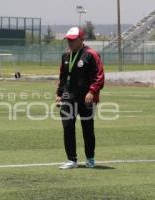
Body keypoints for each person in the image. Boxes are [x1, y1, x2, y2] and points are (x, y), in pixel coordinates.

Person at [56, 27, 105, 169]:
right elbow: (63, 77)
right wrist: (59, 94)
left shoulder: (91, 54)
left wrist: (92, 92)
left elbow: (99, 77)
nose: (70, 43)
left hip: (87, 99)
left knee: (87, 128)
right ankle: (72, 160)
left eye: (73, 40)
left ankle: (90, 158)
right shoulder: (65, 56)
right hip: (68, 98)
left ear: (81, 39)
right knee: (67, 126)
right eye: (68, 40)